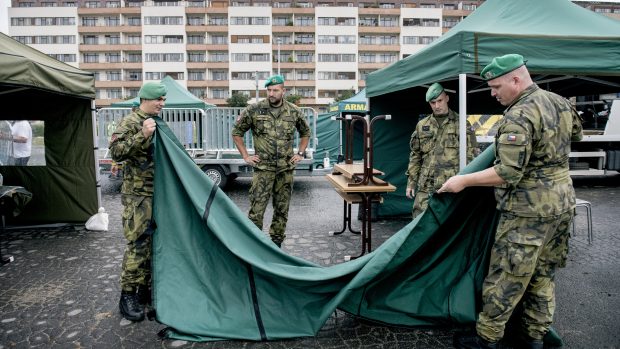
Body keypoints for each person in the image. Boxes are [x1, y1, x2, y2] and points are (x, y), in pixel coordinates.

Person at [437, 54, 583, 349]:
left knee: (507, 275)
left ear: (516, 80)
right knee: (543, 275)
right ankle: (534, 337)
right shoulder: (560, 102)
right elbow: (576, 136)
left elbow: (507, 172)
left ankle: (487, 339)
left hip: (527, 211)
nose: (492, 94)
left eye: (496, 87)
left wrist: (463, 180)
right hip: (562, 205)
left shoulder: (519, 114)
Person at [231, 75, 311, 247]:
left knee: (282, 209)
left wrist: (301, 153)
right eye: (269, 90)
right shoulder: (254, 109)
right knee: (256, 210)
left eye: (275, 90)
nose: (271, 93)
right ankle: (254, 246)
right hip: (263, 168)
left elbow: (305, 132)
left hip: (285, 169)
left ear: (283, 91)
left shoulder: (294, 111)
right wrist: (245, 156)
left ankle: (276, 244)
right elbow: (237, 132)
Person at [109, 82, 167, 322]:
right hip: (138, 195)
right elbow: (116, 152)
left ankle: (145, 290)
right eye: (159, 99)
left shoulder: (156, 121)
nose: (162, 104)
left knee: (153, 244)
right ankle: (128, 295)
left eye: (164, 99)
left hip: (156, 194)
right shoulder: (130, 122)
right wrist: (142, 135)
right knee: (138, 244)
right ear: (147, 98)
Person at [405, 83, 478, 218]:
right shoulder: (422, 125)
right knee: (419, 224)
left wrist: (468, 185)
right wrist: (411, 183)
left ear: (447, 98)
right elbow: (415, 156)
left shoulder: (461, 124)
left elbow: (472, 156)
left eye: (440, 101)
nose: (437, 106)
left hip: (451, 186)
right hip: (426, 186)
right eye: (433, 102)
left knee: (451, 225)